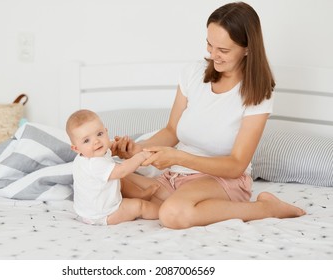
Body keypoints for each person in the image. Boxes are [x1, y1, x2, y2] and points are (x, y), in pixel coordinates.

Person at [111, 1, 306, 229]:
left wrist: (177, 158)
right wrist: (136, 150)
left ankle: (266, 208)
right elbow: (172, 131)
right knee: (111, 183)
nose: (213, 55)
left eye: (223, 50)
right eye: (209, 45)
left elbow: (236, 165)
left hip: (222, 179)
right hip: (178, 174)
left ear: (248, 48)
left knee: (172, 215)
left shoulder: (257, 93)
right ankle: (181, 197)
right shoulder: (193, 73)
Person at [66, 109, 160, 226]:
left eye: (99, 134)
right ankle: (163, 212)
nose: (96, 141)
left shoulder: (89, 153)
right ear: (76, 148)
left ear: (106, 132)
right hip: (103, 214)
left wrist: (117, 144)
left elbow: (108, 145)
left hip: (89, 209)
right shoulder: (94, 164)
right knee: (139, 206)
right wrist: (140, 156)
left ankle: (141, 193)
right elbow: (122, 170)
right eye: (86, 140)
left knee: (120, 181)